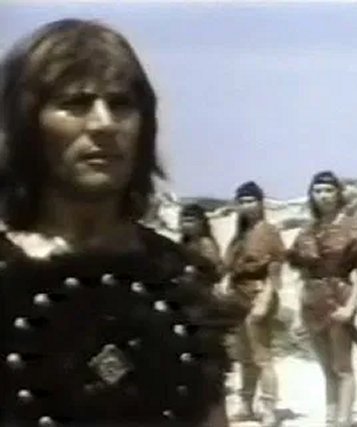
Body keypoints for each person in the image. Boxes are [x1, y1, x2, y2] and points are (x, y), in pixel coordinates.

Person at [0, 19, 239, 426]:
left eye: (121, 104)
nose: (104, 123)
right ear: (27, 123)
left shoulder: (178, 280)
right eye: (75, 103)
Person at [287, 171, 357, 426]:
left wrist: (350, 306)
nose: (323, 196)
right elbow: (301, 274)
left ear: (338, 194)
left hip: (340, 297)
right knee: (327, 368)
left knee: (343, 367)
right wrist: (297, 313)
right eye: (318, 191)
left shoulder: (352, 227)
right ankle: (331, 418)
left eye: (328, 190)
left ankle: (344, 420)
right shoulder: (307, 231)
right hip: (312, 301)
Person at [223, 180, 286, 426]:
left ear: (260, 203)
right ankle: (246, 404)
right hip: (238, 295)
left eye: (251, 200)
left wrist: (266, 298)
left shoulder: (268, 231)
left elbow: (275, 269)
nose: (246, 205)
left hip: (259, 293)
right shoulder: (240, 234)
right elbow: (230, 266)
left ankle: (269, 407)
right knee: (244, 356)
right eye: (242, 201)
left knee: (262, 355)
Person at [179, 203, 224, 285]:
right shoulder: (185, 241)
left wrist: (195, 270)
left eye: (190, 221)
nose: (187, 225)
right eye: (184, 221)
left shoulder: (206, 243)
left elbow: (214, 271)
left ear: (200, 222)